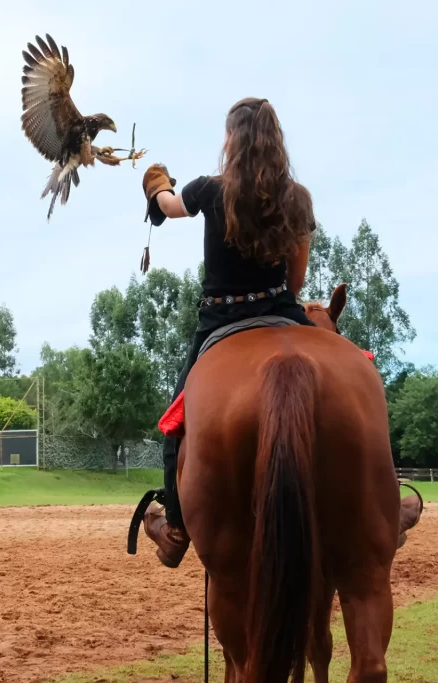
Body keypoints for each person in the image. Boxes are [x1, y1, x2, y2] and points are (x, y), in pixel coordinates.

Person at [140, 97, 318, 569]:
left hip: (221, 323)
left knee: (177, 422)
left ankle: (176, 527)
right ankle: (386, 496)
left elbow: (170, 206)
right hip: (283, 315)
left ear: (232, 140)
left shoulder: (209, 190)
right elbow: (296, 282)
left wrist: (156, 185)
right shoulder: (297, 198)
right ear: (275, 142)